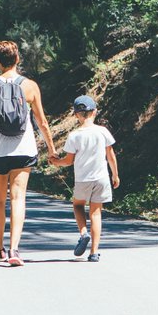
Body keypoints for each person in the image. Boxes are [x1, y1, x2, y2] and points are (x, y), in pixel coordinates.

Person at [0, 40, 57, 267]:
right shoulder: (30, 86)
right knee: (18, 198)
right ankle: (15, 249)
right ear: (18, 59)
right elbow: (42, 122)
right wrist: (52, 149)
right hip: (23, 150)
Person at [49, 95, 119, 262]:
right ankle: (94, 253)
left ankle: (83, 233)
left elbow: (68, 161)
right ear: (94, 112)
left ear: (76, 115)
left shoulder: (75, 135)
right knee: (96, 213)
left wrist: (56, 162)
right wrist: (115, 174)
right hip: (102, 178)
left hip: (83, 179)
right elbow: (111, 155)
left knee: (78, 205)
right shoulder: (103, 131)